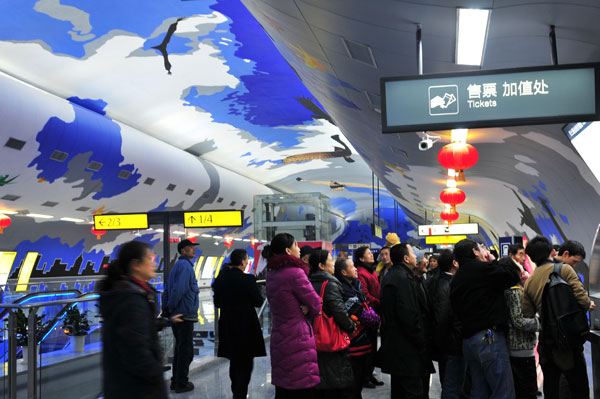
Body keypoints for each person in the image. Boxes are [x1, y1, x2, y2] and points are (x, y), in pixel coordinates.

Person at [98, 240, 182, 399]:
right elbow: (135, 350)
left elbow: (140, 327)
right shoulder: (130, 299)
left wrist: (167, 321)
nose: (154, 263)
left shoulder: (128, 293)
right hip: (137, 388)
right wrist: (156, 379)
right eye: (150, 258)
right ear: (136, 264)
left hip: (123, 385)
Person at [522, 236, 595, 399]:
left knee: (551, 389)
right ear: (552, 251)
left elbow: (527, 314)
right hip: (568, 340)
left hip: (547, 343)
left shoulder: (530, 281)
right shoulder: (564, 269)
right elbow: (583, 300)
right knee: (579, 387)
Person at [450, 239, 521, 399]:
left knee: (479, 390)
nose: (485, 250)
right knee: (503, 390)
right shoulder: (482, 269)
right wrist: (492, 260)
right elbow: (511, 276)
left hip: (469, 341)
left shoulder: (456, 279)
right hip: (489, 338)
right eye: (482, 248)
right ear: (475, 252)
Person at [264, 233, 322, 398]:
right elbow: (315, 304)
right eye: (296, 245)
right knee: (302, 383)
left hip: (279, 332)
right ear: (288, 251)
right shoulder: (295, 273)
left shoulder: (271, 273)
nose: (299, 249)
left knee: (284, 384)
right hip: (298, 335)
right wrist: (306, 309)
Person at [377, 243, 435, 398]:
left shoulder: (396, 275)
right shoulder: (402, 279)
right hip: (406, 348)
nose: (416, 256)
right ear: (406, 258)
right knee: (411, 391)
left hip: (399, 346)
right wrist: (420, 340)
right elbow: (408, 314)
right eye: (413, 254)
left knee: (400, 390)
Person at [212, 249, 266, 399]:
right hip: (245, 325)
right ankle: (239, 393)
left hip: (227, 324)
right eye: (247, 259)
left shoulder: (220, 279)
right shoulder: (248, 279)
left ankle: (236, 389)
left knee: (234, 360)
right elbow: (258, 301)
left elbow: (217, 303)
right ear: (243, 262)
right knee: (245, 361)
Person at [308, 250, 356, 398]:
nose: (333, 263)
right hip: (331, 339)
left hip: (312, 337)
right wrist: (350, 326)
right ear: (321, 266)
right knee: (335, 381)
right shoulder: (329, 284)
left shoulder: (307, 282)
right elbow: (339, 311)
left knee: (320, 380)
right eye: (330, 260)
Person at [335, 257, 378, 399]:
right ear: (343, 272)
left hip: (364, 340)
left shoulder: (357, 285)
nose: (355, 269)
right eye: (352, 266)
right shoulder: (342, 289)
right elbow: (361, 313)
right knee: (352, 385)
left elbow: (366, 305)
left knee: (359, 380)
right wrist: (375, 318)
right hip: (353, 343)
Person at [498, 255, 539, 399]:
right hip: (521, 349)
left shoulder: (505, 290)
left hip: (513, 348)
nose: (521, 265)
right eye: (517, 264)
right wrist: (541, 323)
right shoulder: (515, 292)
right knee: (528, 391)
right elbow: (519, 321)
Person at [164, 239, 200, 393]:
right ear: (183, 251)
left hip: (179, 313)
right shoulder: (186, 267)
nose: (193, 250)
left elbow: (167, 289)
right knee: (186, 351)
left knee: (180, 349)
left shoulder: (178, 266)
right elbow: (179, 289)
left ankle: (175, 381)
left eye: (193, 247)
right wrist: (172, 307)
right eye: (190, 248)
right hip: (183, 315)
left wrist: (167, 308)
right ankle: (181, 383)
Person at [427, 249, 463, 396]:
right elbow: (442, 316)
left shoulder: (436, 280)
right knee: (451, 383)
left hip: (446, 342)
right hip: (450, 343)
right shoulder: (447, 285)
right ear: (454, 263)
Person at [354, 246, 383, 388]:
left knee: (372, 346)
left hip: (375, 312)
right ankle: (365, 376)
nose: (372, 255)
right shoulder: (361, 273)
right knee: (368, 347)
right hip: (368, 314)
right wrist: (380, 302)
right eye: (369, 254)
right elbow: (364, 295)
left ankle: (370, 374)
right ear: (361, 258)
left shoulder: (370, 270)